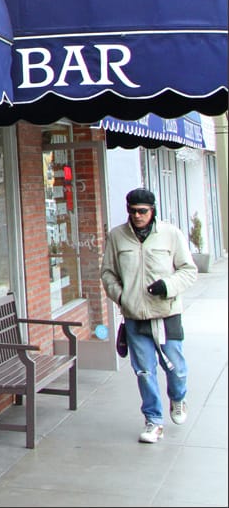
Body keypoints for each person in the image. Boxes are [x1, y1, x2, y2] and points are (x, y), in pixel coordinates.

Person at [101, 187, 197, 444]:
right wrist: (121, 296)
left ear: (152, 210)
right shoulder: (117, 237)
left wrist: (168, 286)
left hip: (166, 313)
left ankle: (178, 399)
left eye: (142, 211)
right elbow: (107, 273)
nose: (137, 216)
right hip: (135, 316)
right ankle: (154, 420)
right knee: (144, 371)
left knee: (175, 368)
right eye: (132, 211)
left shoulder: (170, 234)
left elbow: (189, 270)